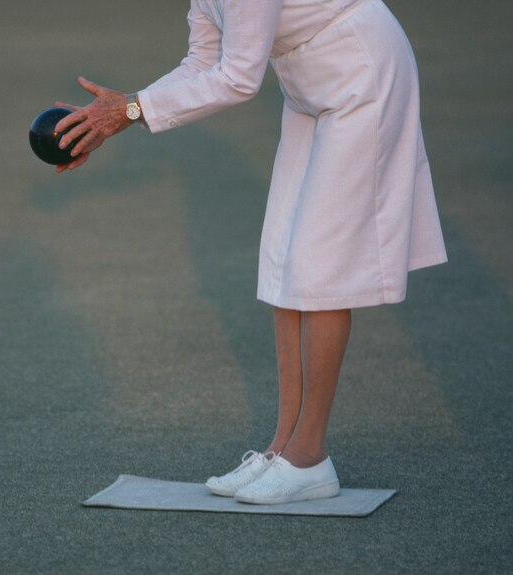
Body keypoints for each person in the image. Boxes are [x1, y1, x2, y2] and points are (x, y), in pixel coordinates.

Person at [54, 0, 447, 504]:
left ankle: (310, 458)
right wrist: (112, 116)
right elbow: (203, 62)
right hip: (308, 87)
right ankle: (282, 450)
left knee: (321, 268)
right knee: (285, 260)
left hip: (362, 76)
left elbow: (239, 79)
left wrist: (130, 110)